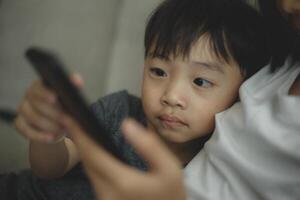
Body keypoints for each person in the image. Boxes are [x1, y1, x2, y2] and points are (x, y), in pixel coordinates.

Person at [11, 0, 270, 199]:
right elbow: (50, 168)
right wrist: (48, 134)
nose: (171, 96)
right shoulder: (119, 112)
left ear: (242, 91)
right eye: (158, 72)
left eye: (200, 81)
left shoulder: (214, 168)